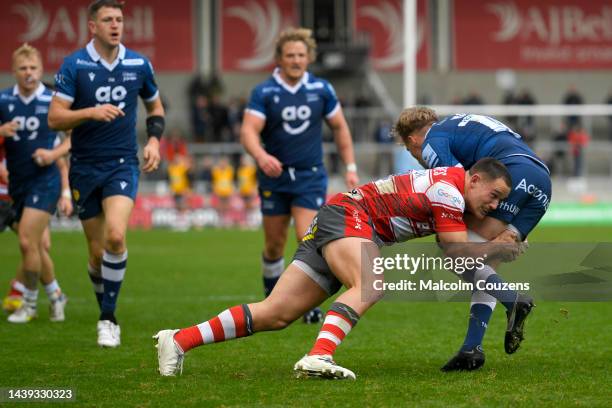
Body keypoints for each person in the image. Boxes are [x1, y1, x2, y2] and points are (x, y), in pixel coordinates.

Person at [154, 158, 525, 379]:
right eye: (493, 196)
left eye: (500, 201)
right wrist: (497, 248)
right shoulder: (448, 191)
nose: (493, 205)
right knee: (371, 282)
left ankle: (179, 340)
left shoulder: (449, 186)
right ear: (474, 180)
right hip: (351, 218)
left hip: (342, 217)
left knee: (277, 313)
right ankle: (318, 356)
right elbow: (456, 250)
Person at [394, 107, 552, 371]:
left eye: (413, 155)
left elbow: (456, 188)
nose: (418, 160)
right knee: (488, 260)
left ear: (412, 141)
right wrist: (507, 238)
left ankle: (512, 302)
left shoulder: (433, 141)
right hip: (541, 181)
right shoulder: (457, 124)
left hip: (513, 175)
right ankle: (472, 348)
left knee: (453, 246)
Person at [48, 0, 165, 347]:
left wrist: (155, 141)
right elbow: (55, 118)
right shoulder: (75, 64)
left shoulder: (138, 64)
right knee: (97, 254)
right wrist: (90, 112)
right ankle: (106, 307)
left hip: (122, 163)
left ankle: (108, 318)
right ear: (92, 26)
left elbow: (155, 107)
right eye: (108, 20)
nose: (115, 25)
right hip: (84, 166)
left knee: (116, 236)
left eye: (119, 19)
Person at [240, 28, 359, 323]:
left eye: (301, 55)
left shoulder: (321, 89)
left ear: (309, 58)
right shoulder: (264, 92)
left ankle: (305, 303)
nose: (296, 60)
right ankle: (272, 299)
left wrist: (351, 167)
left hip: (309, 176)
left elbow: (340, 128)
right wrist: (261, 156)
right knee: (274, 244)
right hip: (275, 178)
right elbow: (248, 131)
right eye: (290, 55)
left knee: (307, 238)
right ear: (279, 58)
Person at [0, 44, 73, 323]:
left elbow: (74, 137)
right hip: (17, 184)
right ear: (14, 71)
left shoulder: (54, 100)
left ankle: (28, 304)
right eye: (23, 68)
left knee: (27, 241)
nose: (29, 73)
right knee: (37, 245)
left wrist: (53, 154)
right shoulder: (4, 100)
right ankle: (55, 296)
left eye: (33, 68)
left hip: (45, 181)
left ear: (41, 71)